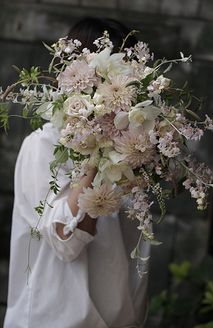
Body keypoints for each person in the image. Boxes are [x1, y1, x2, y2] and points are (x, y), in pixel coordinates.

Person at [4, 17, 151, 328]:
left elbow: (133, 255)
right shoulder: (43, 145)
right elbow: (65, 241)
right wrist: (99, 155)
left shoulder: (134, 147)